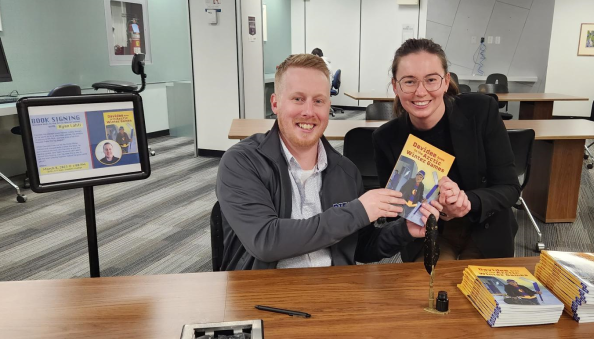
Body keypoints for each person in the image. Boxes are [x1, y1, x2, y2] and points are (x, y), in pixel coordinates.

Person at [216, 53, 441, 271]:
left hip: (333, 292)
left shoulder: (346, 171)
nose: (308, 111)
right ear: (275, 103)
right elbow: (265, 241)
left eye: (318, 101)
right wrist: (357, 212)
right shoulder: (242, 163)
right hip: (263, 296)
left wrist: (404, 230)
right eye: (298, 99)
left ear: (328, 106)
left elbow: (359, 246)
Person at [373, 38, 521, 262]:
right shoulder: (386, 138)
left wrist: (468, 201)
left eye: (431, 80)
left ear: (446, 81)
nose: (420, 92)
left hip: (485, 224)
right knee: (434, 289)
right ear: (395, 86)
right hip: (428, 230)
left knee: (477, 290)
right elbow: (396, 212)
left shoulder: (481, 112)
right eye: (409, 82)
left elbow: (510, 187)